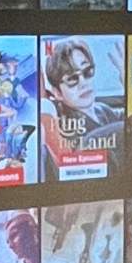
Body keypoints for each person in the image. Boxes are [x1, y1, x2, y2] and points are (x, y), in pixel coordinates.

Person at [44, 38, 122, 168]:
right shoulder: (65, 127)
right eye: (72, 79)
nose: (83, 83)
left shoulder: (102, 109)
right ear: (57, 93)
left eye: (87, 72)